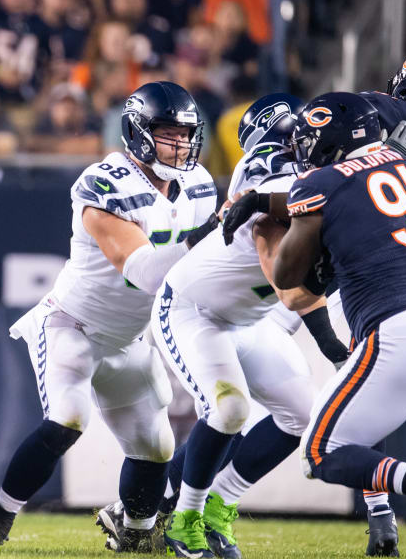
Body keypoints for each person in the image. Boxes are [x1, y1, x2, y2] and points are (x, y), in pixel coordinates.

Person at [0, 82, 219, 552]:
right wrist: (211, 234)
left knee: (157, 447)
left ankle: (135, 531)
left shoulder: (199, 184)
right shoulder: (105, 183)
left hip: (129, 337)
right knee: (68, 418)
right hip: (72, 324)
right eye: (169, 133)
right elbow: (143, 271)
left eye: (187, 134)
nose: (181, 144)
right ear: (139, 133)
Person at [268, 92, 406, 557]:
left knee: (320, 452)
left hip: (399, 333)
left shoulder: (320, 182)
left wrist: (303, 235)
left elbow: (288, 276)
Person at [150, 95, 346, 559]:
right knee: (230, 409)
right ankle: (184, 518)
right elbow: (288, 281)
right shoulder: (271, 168)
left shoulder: (316, 177)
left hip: (248, 319)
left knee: (305, 416)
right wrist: (335, 349)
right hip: (193, 310)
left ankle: (220, 504)